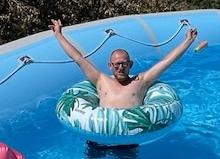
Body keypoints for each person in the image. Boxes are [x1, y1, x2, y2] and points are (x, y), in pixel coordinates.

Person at [50, 18, 199, 108]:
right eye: (116, 65)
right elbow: (77, 58)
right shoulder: (101, 80)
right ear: (110, 66)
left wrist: (188, 41)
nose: (120, 68)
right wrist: (58, 35)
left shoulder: (141, 81)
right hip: (99, 137)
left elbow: (167, 61)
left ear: (130, 65)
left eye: (124, 64)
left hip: (128, 138)